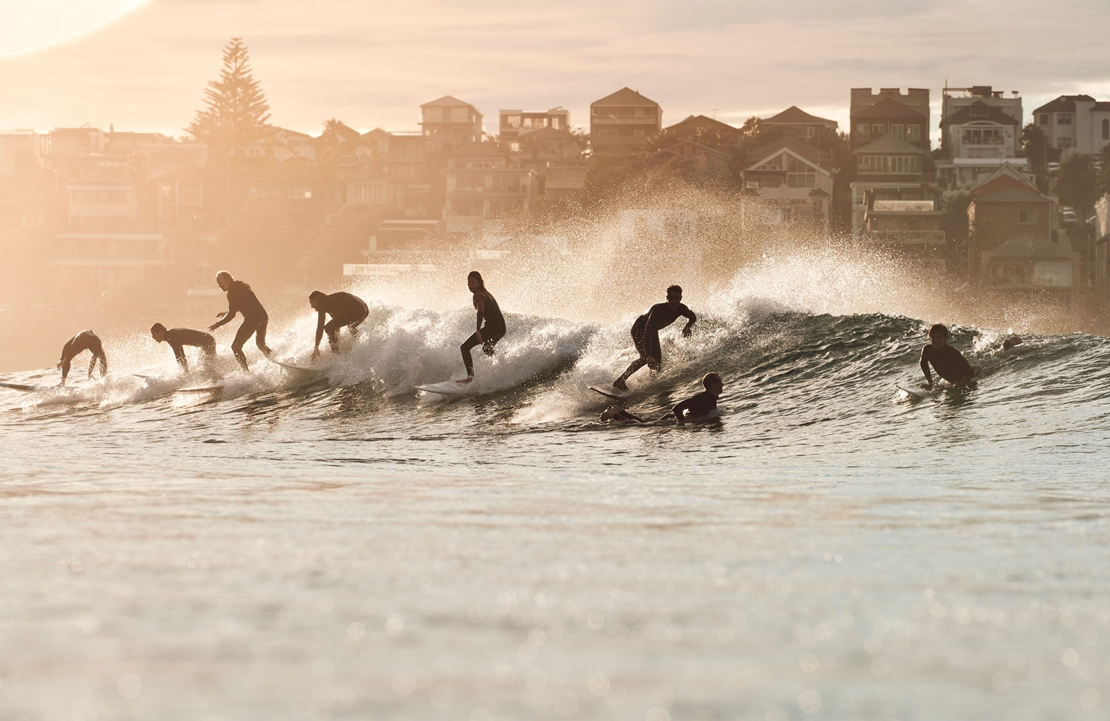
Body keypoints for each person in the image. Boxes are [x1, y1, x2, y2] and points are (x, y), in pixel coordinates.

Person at [612, 285, 696, 391]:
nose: (674, 301)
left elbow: (693, 317)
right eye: (671, 298)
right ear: (667, 298)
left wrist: (687, 326)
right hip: (639, 330)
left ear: (681, 298)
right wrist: (648, 356)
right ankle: (619, 382)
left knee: (657, 362)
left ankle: (651, 381)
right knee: (645, 358)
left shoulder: (682, 308)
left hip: (652, 331)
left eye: (676, 298)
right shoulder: (658, 311)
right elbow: (647, 334)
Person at [208, 270, 272, 372]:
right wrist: (226, 313)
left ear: (227, 280)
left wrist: (217, 324)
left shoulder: (231, 293)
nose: (219, 286)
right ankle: (275, 359)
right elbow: (244, 304)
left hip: (253, 319)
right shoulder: (242, 285)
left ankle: (246, 373)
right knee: (261, 344)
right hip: (263, 316)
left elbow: (232, 314)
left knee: (235, 347)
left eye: (220, 283)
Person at [459, 271, 505, 382]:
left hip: (493, 327)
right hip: (501, 327)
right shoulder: (486, 293)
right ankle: (501, 368)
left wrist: (478, 331)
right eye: (468, 283)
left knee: (464, 348)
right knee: (487, 348)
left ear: (479, 283)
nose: (470, 285)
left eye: (473, 282)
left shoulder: (478, 294)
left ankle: (470, 377)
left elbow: (480, 312)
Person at [308, 290, 369, 361]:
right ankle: (358, 346)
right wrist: (336, 340)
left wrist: (316, 347)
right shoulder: (332, 302)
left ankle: (336, 356)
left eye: (311, 302)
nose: (311, 306)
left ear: (316, 300)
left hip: (357, 309)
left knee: (328, 328)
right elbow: (336, 325)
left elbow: (320, 326)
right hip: (364, 310)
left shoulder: (322, 303)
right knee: (350, 326)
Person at [920, 323, 975, 390]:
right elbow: (923, 363)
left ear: (945, 338)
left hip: (962, 378)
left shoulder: (952, 353)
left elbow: (968, 371)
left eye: (939, 337)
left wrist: (961, 382)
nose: (935, 340)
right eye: (933, 337)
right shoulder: (927, 350)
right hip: (950, 380)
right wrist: (930, 382)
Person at [150, 323, 216, 372]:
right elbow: (182, 356)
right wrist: (186, 371)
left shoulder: (170, 337)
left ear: (161, 331)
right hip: (208, 339)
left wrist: (185, 374)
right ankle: (216, 378)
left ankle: (217, 380)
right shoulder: (171, 335)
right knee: (204, 364)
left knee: (208, 365)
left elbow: (178, 356)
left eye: (154, 334)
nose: (153, 337)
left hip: (207, 341)